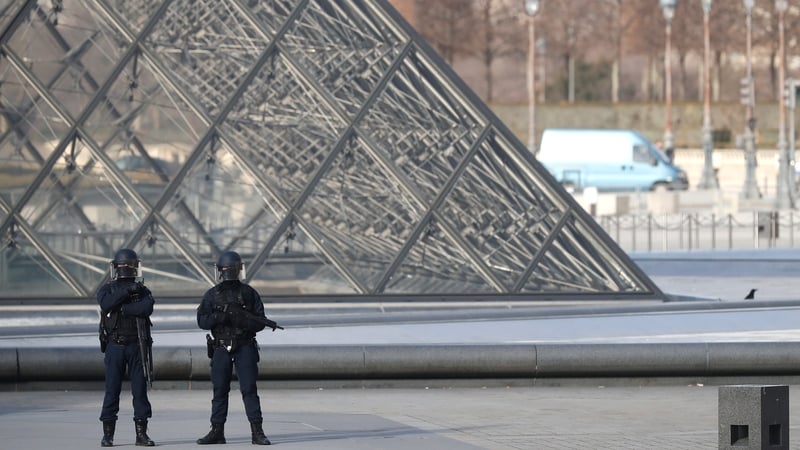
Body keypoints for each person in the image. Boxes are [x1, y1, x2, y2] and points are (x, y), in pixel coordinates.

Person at [196, 251, 273, 445]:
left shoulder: (218, 294)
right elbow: (203, 320)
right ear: (240, 269)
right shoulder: (245, 292)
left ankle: (247, 430)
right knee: (238, 390)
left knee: (229, 390)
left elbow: (259, 322)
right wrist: (220, 317)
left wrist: (241, 320)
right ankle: (244, 432)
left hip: (240, 345)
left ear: (220, 270)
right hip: (226, 346)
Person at [97, 248, 155, 447]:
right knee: (112, 391)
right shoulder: (109, 289)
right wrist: (125, 293)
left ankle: (141, 434)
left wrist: (122, 308)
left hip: (136, 345)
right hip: (115, 345)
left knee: (140, 391)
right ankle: (108, 435)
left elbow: (146, 308)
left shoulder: (142, 290)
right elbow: (105, 304)